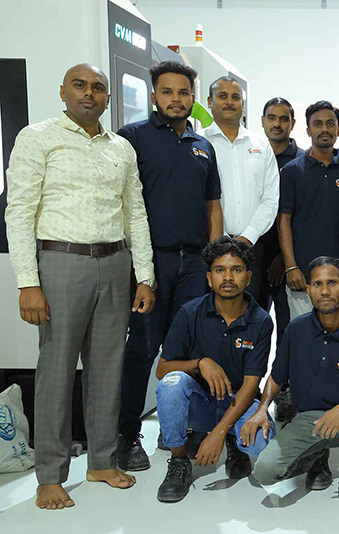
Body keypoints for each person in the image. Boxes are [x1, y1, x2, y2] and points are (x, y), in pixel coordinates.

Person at [5, 64, 156, 509]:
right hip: (60, 262)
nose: (89, 93)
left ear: (108, 98)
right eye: (80, 85)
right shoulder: (37, 138)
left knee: (107, 368)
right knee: (56, 371)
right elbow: (19, 211)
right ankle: (50, 476)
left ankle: (102, 462)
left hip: (115, 262)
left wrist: (144, 275)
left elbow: (135, 214)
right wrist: (27, 282)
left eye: (98, 87)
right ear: (63, 92)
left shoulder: (121, 148)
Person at [116, 60, 224, 472]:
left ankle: (177, 428)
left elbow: (213, 206)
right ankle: (127, 435)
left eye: (183, 92)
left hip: (195, 262)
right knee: (142, 349)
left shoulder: (203, 146)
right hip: (151, 263)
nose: (175, 99)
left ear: (193, 98)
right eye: (167, 92)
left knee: (190, 351)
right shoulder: (133, 138)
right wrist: (136, 268)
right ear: (154, 96)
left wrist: (214, 260)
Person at [248, 257, 339, 499]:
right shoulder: (296, 330)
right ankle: (316, 456)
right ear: (308, 289)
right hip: (308, 419)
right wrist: (262, 409)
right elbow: (277, 376)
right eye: (317, 284)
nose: (325, 291)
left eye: (332, 283)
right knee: (264, 471)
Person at [154, 237, 275, 503]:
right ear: (209, 278)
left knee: (262, 442)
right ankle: (179, 461)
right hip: (199, 403)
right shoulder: (190, 313)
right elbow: (162, 370)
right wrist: (200, 362)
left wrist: (220, 432)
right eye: (220, 270)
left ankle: (233, 441)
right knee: (172, 383)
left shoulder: (261, 320)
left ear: (248, 277)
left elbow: (251, 385)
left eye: (236, 270)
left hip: (237, 403)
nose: (228, 277)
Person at [201, 76, 280, 305]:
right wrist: (219, 241)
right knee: (210, 314)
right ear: (209, 101)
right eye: (222, 96)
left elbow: (270, 199)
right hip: (208, 248)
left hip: (252, 248)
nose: (229, 102)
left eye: (235, 97)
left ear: (242, 104)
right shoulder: (198, 143)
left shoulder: (261, 145)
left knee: (250, 313)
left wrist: (247, 238)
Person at [280, 101, 339, 318]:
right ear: (308, 130)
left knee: (338, 333)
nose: (324, 129)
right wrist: (291, 267)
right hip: (302, 275)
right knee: (303, 333)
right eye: (317, 124)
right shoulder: (292, 171)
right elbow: (284, 221)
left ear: (338, 129)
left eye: (330, 124)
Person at [261, 97, 304, 422]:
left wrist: (282, 258)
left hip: (287, 261)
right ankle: (249, 391)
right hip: (251, 260)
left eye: (284, 118)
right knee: (253, 330)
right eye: (271, 117)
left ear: (292, 123)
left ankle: (285, 391)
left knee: (289, 331)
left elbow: (296, 217)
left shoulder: (301, 162)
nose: (277, 123)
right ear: (263, 120)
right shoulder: (254, 155)